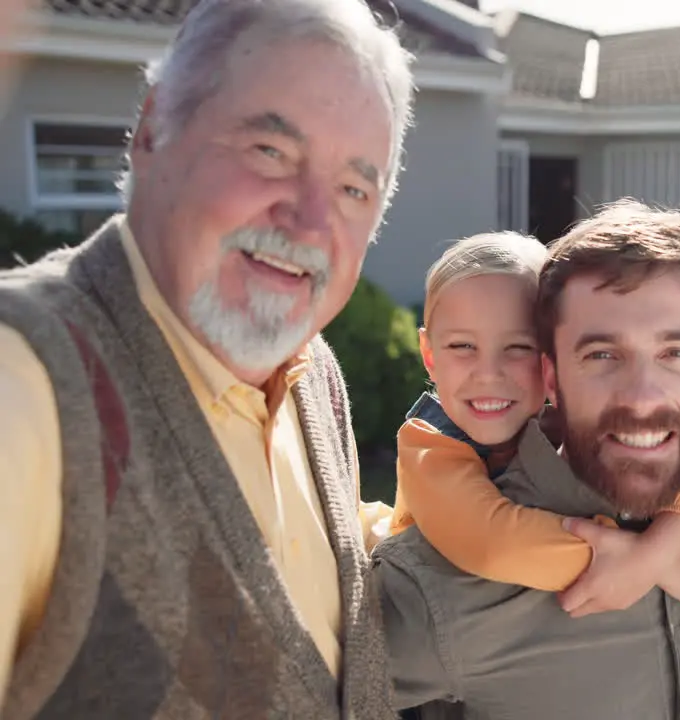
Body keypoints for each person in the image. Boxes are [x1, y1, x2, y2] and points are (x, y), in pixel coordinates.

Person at [0, 0, 412, 715]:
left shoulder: (315, 380)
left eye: (353, 189)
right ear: (154, 129)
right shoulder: (26, 382)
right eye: (271, 153)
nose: (312, 222)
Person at [374, 200, 680, 719]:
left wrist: (663, 545)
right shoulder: (441, 586)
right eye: (602, 355)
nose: (643, 397)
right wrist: (644, 561)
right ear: (554, 375)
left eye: (676, 353)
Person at [388, 230, 680, 614]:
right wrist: (648, 563)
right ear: (429, 353)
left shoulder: (560, 420)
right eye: (462, 347)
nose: (488, 374)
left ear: (552, 360)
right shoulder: (428, 445)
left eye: (519, 347)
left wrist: (666, 541)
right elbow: (494, 542)